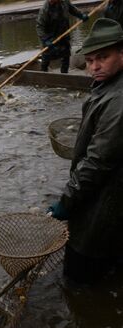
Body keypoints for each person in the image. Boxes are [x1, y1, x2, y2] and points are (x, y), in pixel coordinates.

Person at [48, 18, 123, 284]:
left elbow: (97, 162)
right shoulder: (108, 85)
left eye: (103, 57)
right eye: (90, 60)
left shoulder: (119, 100)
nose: (94, 67)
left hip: (105, 208)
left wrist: (66, 202)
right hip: (106, 200)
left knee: (79, 281)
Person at [36, 0, 89, 73]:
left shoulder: (65, 2)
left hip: (63, 33)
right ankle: (43, 73)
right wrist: (46, 40)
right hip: (50, 37)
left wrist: (81, 15)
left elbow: (73, 10)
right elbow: (39, 27)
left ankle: (64, 74)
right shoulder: (45, 9)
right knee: (46, 57)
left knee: (65, 55)